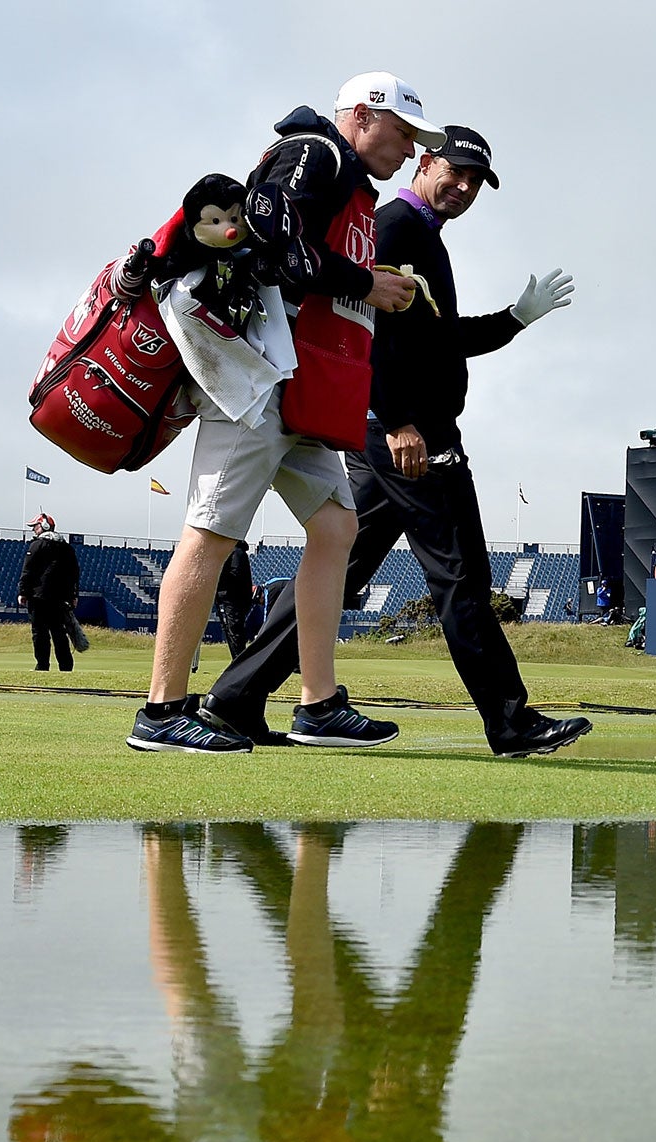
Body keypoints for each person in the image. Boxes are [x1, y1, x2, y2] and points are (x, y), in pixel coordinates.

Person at [202, 125, 590, 758]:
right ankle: (511, 720)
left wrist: (516, 319)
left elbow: (439, 340)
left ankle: (236, 697)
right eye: (456, 171)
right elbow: (364, 331)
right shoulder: (397, 228)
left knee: (342, 572)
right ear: (426, 161)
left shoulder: (420, 235)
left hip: (394, 432)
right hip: (411, 434)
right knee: (462, 575)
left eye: (475, 183)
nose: (463, 187)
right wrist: (398, 418)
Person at [130, 71, 435, 753]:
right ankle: (160, 712)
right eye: (404, 130)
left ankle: (318, 704)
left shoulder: (342, 173)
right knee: (210, 534)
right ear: (362, 115)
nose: (411, 147)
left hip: (299, 386)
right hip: (254, 378)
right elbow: (272, 242)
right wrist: (368, 282)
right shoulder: (313, 153)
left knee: (335, 526)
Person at [18, 514, 80, 672]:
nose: (34, 530)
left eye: (35, 526)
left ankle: (42, 665)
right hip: (60, 598)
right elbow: (74, 574)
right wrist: (73, 595)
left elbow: (28, 570)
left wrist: (23, 591)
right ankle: (66, 666)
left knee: (40, 632)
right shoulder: (67, 548)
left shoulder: (37, 545)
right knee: (59, 632)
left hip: (38, 597)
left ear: (44, 526)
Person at [214, 540, 257, 660]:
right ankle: (238, 659)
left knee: (234, 629)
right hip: (236, 598)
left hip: (232, 598)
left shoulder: (235, 553)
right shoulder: (239, 553)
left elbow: (235, 574)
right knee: (234, 629)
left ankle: (238, 660)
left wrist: (219, 579)